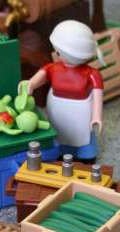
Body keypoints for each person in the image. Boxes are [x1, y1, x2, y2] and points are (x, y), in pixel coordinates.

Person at [23, 20, 103, 160]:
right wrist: (31, 84)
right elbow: (41, 76)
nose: (56, 52)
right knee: (60, 132)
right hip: (57, 107)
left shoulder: (92, 74)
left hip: (82, 111)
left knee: (82, 136)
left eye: (58, 51)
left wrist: (96, 117)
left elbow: (97, 96)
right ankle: (61, 152)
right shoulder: (53, 68)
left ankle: (84, 155)